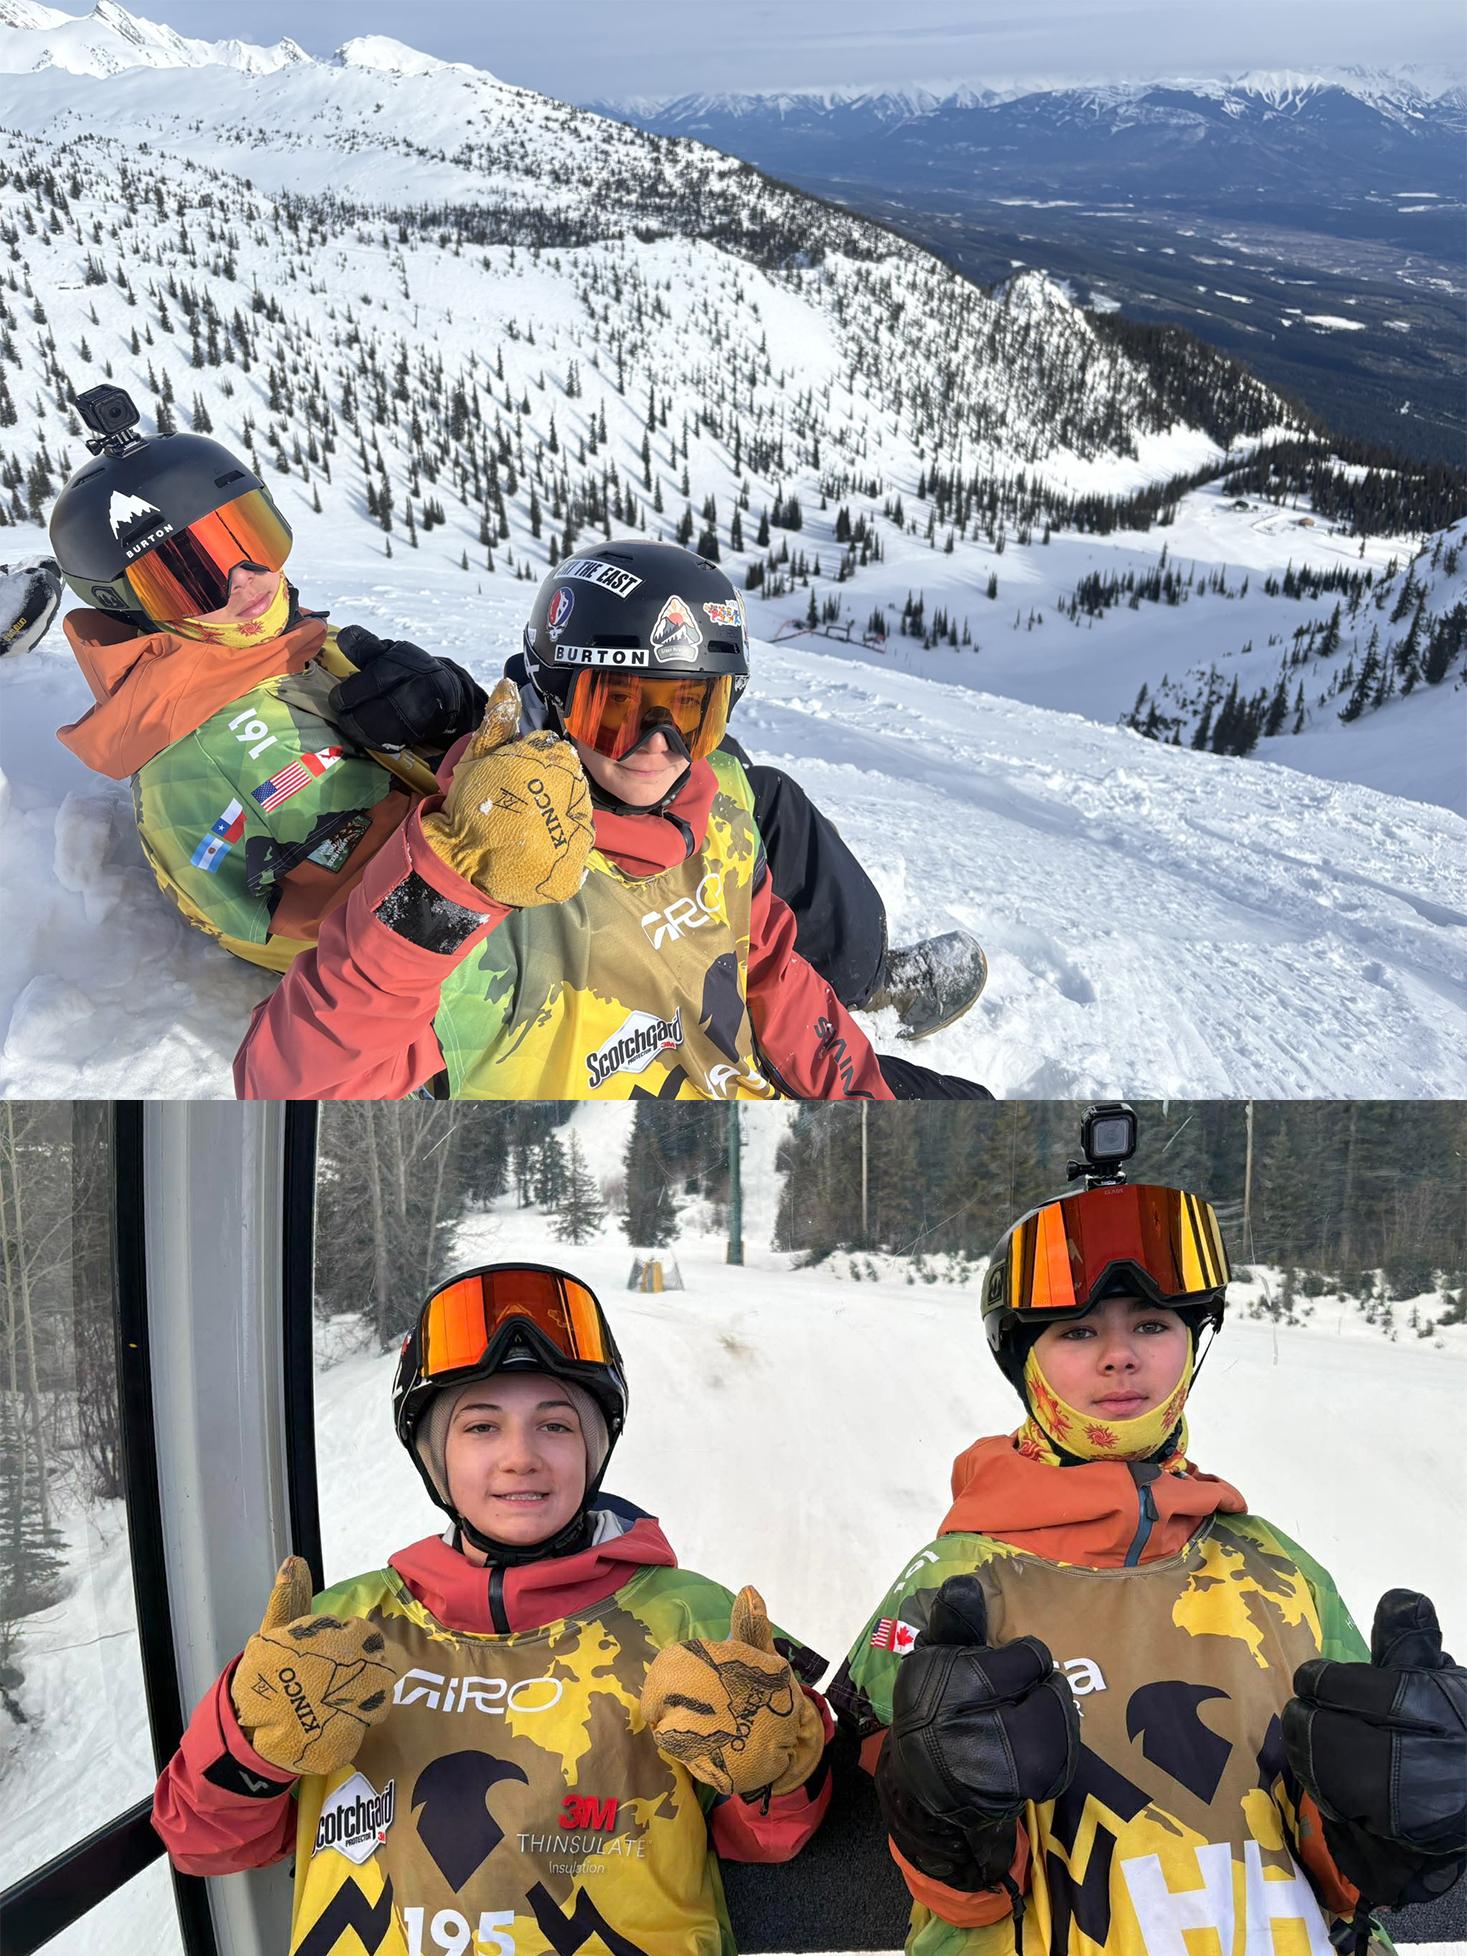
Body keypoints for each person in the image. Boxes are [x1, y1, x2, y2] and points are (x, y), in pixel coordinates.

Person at [47, 383, 986, 1033]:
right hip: (471, 933)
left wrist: (465, 719)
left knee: (715, 772)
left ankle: (835, 980)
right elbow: (353, 912)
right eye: (195, 569)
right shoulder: (205, 753)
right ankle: (815, 999)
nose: (251, 577)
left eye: (252, 536)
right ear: (131, 603)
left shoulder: (252, 647)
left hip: (482, 842)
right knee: (722, 798)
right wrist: (484, 769)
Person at [829, 1109, 1466, 1956]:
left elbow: (1336, 1873)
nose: (1118, 1356)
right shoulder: (951, 1585)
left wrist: (1400, 1828)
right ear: (1025, 1361)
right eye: (1078, 1331)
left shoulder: (1272, 1567)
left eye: (1153, 1324)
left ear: (1192, 1344)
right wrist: (944, 1818)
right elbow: (898, 1849)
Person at [153, 1262, 833, 1955]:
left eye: (556, 1426)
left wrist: (774, 1768)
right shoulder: (342, 1628)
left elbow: (775, 1842)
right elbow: (203, 1842)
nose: (520, 1457)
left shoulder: (688, 1619)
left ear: (594, 1449)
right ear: (434, 1455)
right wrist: (247, 1739)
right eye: (480, 1427)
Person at [233, 537, 990, 1099]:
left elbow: (771, 973)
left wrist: (859, 1095)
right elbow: (292, 1083)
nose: (655, 750)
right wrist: (446, 889)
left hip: (745, 1069)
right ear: (552, 699)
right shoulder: (491, 861)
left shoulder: (717, 810)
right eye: (616, 709)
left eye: (691, 714)